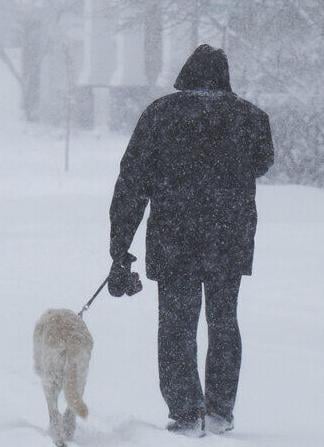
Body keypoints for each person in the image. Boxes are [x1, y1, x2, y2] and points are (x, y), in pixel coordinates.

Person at [107, 44, 274, 437]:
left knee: (176, 326)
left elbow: (131, 183)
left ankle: (185, 411)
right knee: (223, 321)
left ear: (186, 75)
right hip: (227, 238)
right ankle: (220, 410)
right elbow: (262, 162)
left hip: (174, 236)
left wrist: (120, 247)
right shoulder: (250, 118)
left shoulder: (159, 116)